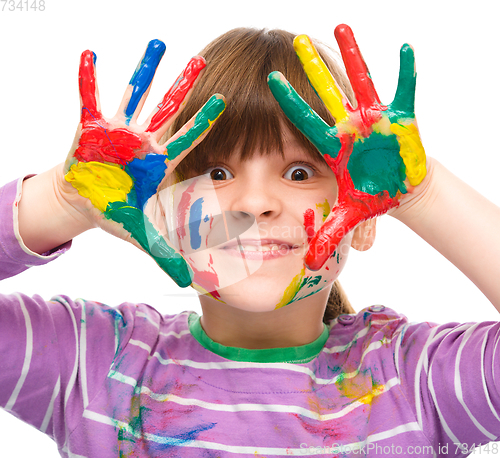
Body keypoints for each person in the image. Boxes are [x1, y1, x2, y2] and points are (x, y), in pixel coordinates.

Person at [1, 24, 500, 457]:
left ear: (367, 220)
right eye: (217, 171)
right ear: (163, 209)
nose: (254, 202)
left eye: (301, 172)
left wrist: (422, 193)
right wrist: (64, 200)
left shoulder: (413, 379)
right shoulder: (94, 363)